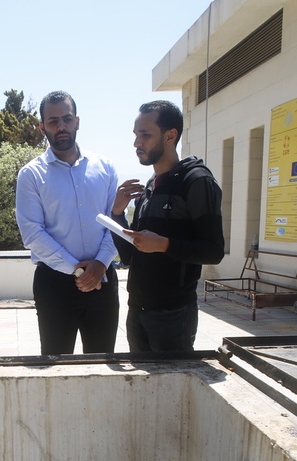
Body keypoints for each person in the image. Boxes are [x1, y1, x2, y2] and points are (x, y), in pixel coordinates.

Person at [110, 100, 224, 352]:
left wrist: (164, 244)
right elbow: (130, 256)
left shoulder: (196, 181)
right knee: (142, 390)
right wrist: (117, 214)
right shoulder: (150, 187)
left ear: (170, 135)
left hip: (173, 315)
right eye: (136, 135)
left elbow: (213, 251)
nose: (136, 143)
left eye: (145, 135)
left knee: (171, 390)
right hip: (137, 311)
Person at [15, 91, 120, 355]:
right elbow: (32, 234)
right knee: (56, 366)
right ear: (42, 127)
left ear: (77, 122)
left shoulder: (105, 167)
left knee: (101, 363)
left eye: (67, 119)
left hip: (103, 280)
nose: (61, 127)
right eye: (53, 121)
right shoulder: (31, 175)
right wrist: (79, 271)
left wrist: (100, 265)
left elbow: (115, 222)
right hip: (55, 285)